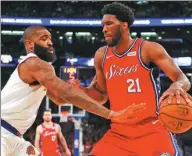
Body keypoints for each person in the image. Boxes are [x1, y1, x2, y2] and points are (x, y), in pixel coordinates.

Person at [1, 25, 146, 156]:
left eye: (50, 38)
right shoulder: (34, 63)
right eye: (44, 39)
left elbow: (59, 99)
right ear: (30, 44)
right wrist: (110, 114)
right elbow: (66, 92)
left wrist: (87, 91)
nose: (50, 42)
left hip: (14, 136)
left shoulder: (41, 70)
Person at [70, 2, 192, 156]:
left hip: (153, 130)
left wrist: (177, 86)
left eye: (109, 24)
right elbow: (101, 96)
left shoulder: (148, 49)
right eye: (103, 25)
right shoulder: (101, 56)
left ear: (124, 25)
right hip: (119, 133)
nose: (104, 29)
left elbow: (183, 79)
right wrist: (81, 90)